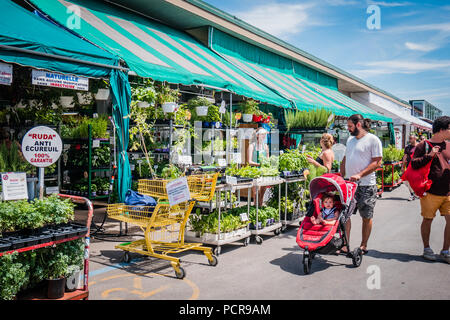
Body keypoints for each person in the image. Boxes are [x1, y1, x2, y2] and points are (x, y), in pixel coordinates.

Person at [340, 114, 383, 255]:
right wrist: (341, 174)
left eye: (350, 126)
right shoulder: (351, 140)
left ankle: (363, 245)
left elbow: (377, 162)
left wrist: (359, 174)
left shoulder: (373, 140)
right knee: (345, 215)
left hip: (366, 185)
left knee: (366, 216)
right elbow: (346, 158)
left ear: (358, 124)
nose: (348, 129)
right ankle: (346, 244)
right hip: (349, 184)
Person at [410, 116, 450, 263]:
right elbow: (413, 164)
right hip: (430, 191)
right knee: (428, 220)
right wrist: (430, 155)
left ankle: (446, 251)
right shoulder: (423, 145)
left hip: (448, 191)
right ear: (441, 129)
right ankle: (427, 248)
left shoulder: (449, 145)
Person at [247, 126, 269, 207]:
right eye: (262, 134)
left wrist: (267, 165)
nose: (264, 136)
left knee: (262, 193)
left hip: (264, 172)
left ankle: (260, 208)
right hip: (255, 172)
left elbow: (267, 160)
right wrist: (259, 164)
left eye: (265, 135)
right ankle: (256, 210)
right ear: (257, 135)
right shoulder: (252, 146)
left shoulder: (265, 146)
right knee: (256, 193)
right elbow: (249, 161)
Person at [401, 134, 419, 201]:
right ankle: (412, 194)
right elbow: (405, 157)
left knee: (417, 181)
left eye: (411, 138)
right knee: (406, 181)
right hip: (409, 166)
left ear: (415, 138)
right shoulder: (408, 147)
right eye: (409, 138)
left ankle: (416, 193)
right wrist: (403, 166)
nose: (410, 140)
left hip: (418, 166)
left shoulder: (419, 146)